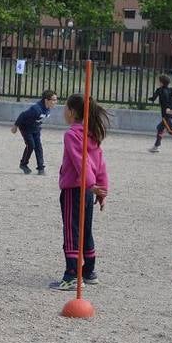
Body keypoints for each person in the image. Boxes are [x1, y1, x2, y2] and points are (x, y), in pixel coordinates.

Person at [49, 93, 109, 291]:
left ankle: (72, 274)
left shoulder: (72, 134)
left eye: (65, 107)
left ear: (72, 112)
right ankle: (89, 270)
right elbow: (99, 163)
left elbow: (80, 161)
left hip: (75, 189)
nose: (63, 111)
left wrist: (92, 184)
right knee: (85, 230)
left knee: (72, 232)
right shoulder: (91, 133)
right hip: (88, 190)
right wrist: (101, 188)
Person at [12, 89, 57, 175]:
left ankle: (40, 168)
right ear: (46, 100)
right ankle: (23, 164)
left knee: (38, 147)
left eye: (56, 99)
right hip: (26, 128)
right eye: (53, 100)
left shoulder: (48, 108)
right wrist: (15, 126)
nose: (55, 102)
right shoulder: (36, 109)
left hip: (36, 129)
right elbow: (22, 115)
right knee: (31, 145)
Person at [148, 74, 172, 152]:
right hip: (171, 112)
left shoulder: (159, 90)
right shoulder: (171, 90)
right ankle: (156, 146)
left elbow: (153, 98)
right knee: (160, 128)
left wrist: (150, 98)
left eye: (159, 81)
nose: (158, 83)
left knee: (171, 131)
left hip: (165, 114)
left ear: (161, 83)